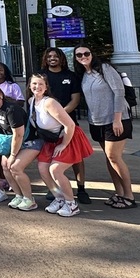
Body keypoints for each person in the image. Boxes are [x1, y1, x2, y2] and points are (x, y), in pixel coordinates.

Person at [75, 46, 136, 209]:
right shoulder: (84, 75)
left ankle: (129, 196)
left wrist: (117, 119)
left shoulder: (105, 68)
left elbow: (119, 92)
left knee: (114, 156)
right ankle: (120, 193)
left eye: (86, 53)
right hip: (97, 121)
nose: (83, 56)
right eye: (79, 55)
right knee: (109, 159)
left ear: (92, 54)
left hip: (115, 120)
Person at [28, 73, 94, 217]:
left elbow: (69, 124)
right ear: (29, 85)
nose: (37, 87)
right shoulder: (31, 101)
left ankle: (71, 204)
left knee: (55, 169)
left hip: (67, 137)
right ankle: (59, 198)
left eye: (40, 84)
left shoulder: (50, 103)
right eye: (34, 83)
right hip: (51, 140)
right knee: (43, 168)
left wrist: (63, 145)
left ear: (46, 87)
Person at [40, 47, 90, 204]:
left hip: (69, 123)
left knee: (77, 158)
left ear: (61, 58)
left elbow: (75, 100)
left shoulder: (71, 76)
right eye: (49, 56)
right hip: (49, 127)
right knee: (50, 158)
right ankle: (53, 188)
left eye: (55, 56)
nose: (52, 58)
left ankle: (81, 188)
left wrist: (60, 115)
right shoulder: (42, 76)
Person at [0, 83, 42, 211]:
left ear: (1, 94)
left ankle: (29, 199)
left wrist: (13, 155)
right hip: (13, 142)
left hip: (29, 142)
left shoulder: (11, 109)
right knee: (5, 165)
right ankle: (19, 195)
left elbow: (18, 134)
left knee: (15, 167)